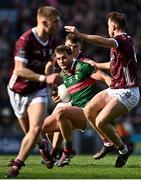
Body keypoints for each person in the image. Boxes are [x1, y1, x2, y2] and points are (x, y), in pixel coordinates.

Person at [64, 11, 140, 167]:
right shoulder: (124, 43)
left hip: (128, 91)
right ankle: (108, 143)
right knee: (88, 110)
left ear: (113, 26)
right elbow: (114, 65)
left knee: (100, 121)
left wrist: (81, 35)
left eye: (108, 26)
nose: (108, 28)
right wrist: (97, 65)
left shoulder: (121, 40)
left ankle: (123, 150)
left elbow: (104, 42)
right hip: (116, 88)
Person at [6, 6, 61, 178]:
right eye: (56, 22)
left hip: (37, 90)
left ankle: (17, 165)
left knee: (36, 128)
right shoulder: (26, 40)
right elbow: (20, 70)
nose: (58, 25)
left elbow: (49, 62)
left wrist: (50, 76)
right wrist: (46, 79)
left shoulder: (52, 40)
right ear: (44, 22)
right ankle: (43, 148)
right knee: (30, 131)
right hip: (18, 90)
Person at [41, 45, 112, 167]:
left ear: (70, 57)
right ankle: (54, 152)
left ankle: (66, 151)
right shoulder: (63, 74)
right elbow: (51, 80)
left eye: (64, 58)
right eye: (58, 59)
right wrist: (55, 93)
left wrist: (118, 96)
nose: (61, 61)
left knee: (60, 111)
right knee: (40, 128)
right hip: (76, 112)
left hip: (90, 114)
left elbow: (106, 78)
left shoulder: (83, 67)